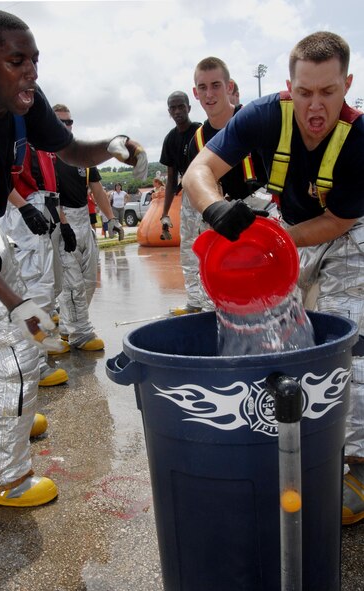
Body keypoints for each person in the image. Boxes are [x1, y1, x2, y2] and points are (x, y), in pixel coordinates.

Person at [0, 9, 147, 508]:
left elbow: (71, 149)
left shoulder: (23, 100)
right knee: (8, 354)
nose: (31, 71)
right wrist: (15, 302)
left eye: (34, 59)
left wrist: (113, 145)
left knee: (30, 343)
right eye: (17, 61)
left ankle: (6, 415)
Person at [183, 31, 364, 525]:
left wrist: (278, 244)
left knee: (354, 340)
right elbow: (198, 170)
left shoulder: (359, 137)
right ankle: (281, 434)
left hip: (347, 232)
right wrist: (215, 207)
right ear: (289, 85)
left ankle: (355, 465)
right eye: (304, 92)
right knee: (275, 329)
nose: (315, 106)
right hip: (288, 224)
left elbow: (340, 221)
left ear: (347, 84)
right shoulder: (264, 114)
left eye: (328, 92)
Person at [172, 57, 266, 315]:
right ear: (195, 93)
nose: (209, 94)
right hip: (226, 221)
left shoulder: (258, 122)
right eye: (202, 87)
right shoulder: (196, 141)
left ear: (230, 86)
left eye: (216, 85)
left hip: (265, 217)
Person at [1, 142, 74, 387]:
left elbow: (52, 189)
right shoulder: (16, 137)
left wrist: (63, 222)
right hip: (25, 212)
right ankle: (35, 365)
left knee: (52, 288)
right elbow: (2, 178)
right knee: (35, 290)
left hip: (47, 209)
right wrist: (24, 208)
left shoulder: (42, 144)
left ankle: (45, 346)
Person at [53, 103, 124, 351]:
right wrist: (63, 225)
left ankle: (66, 324)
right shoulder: (48, 156)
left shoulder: (81, 155)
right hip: (63, 224)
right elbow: (50, 195)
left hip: (86, 222)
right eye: (60, 121)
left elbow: (97, 190)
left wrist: (111, 219)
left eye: (69, 122)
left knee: (89, 283)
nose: (66, 126)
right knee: (72, 284)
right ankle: (80, 333)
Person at [159, 91, 201, 242]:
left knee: (209, 238)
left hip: (208, 190)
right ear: (169, 112)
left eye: (181, 107)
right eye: (173, 108)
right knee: (189, 242)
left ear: (188, 108)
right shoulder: (170, 140)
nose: (177, 111)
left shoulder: (200, 132)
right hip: (188, 195)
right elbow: (171, 179)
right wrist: (165, 213)